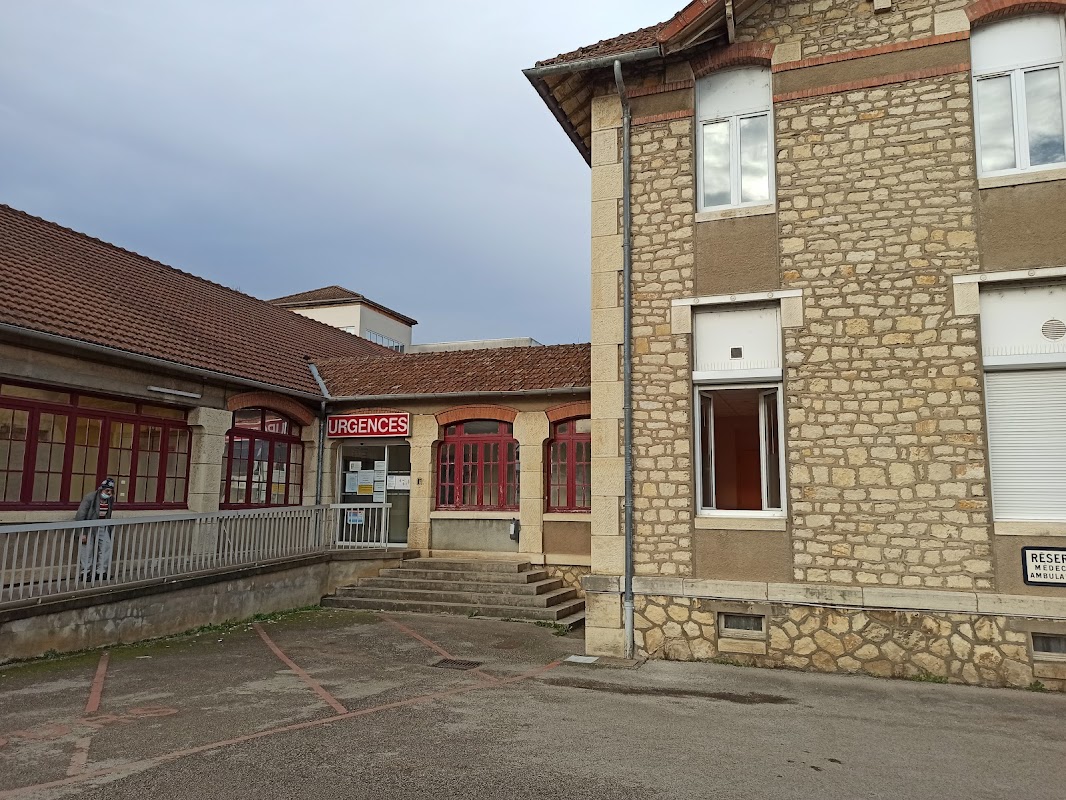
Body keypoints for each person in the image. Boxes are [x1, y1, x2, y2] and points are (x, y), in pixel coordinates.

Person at [77, 477, 116, 581]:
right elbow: (81, 514)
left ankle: (101, 572)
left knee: (106, 547)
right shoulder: (90, 498)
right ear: (101, 489)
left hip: (103, 524)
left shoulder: (110, 499)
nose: (108, 493)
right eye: (106, 490)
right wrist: (82, 532)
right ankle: (85, 573)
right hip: (89, 525)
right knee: (87, 549)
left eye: (111, 491)